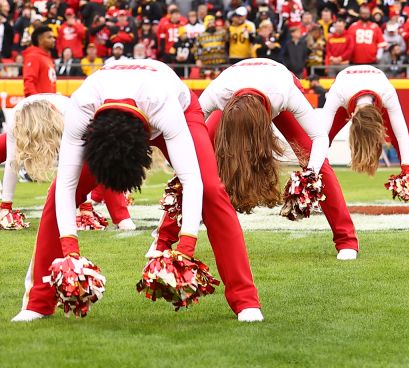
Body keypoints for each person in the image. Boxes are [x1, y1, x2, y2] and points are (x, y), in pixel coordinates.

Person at [14, 59, 262, 323]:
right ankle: (38, 302)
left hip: (178, 108)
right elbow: (66, 185)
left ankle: (245, 300)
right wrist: (69, 250)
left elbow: (192, 180)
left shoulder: (162, 104)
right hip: (115, 111)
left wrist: (185, 248)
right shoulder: (82, 106)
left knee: (212, 190)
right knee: (55, 196)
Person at [189, 58, 358, 260]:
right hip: (236, 98)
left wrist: (310, 175)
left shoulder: (284, 95)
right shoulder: (217, 95)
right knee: (194, 162)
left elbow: (320, 137)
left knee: (317, 160)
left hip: (277, 86)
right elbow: (189, 139)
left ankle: (346, 240)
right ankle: (165, 236)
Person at [1, 94, 135, 232]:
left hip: (80, 121)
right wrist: (5, 207)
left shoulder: (74, 118)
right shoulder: (16, 121)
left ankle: (122, 217)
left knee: (103, 158)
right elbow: (12, 162)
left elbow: (83, 163)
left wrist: (85, 208)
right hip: (37, 118)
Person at [318, 65, 409, 214]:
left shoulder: (387, 94)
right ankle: (313, 193)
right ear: (352, 116)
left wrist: (408, 172)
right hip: (346, 90)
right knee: (322, 140)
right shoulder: (338, 93)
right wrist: (310, 175)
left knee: (399, 140)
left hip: (376, 89)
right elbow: (320, 137)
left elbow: (402, 137)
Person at [22, 25, 56, 97]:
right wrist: (35, 103)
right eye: (49, 37)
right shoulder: (33, 57)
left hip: (48, 103)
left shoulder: (47, 58)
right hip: (39, 105)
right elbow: (29, 83)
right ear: (40, 40)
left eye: (53, 37)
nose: (53, 40)